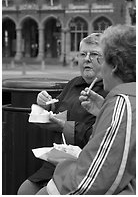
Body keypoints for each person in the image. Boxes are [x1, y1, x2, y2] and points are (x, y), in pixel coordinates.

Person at [35, 24, 136, 195]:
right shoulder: (120, 100)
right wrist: (102, 111)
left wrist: (56, 180)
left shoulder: (123, 104)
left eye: (100, 58)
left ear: (114, 66)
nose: (91, 61)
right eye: (83, 54)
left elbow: (93, 179)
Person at [17, 33, 107, 195]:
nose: (87, 59)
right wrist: (44, 105)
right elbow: (57, 110)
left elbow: (102, 134)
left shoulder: (108, 90)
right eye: (82, 54)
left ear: (106, 59)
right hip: (57, 160)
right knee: (25, 190)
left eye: (94, 54)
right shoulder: (73, 84)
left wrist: (63, 126)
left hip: (85, 164)